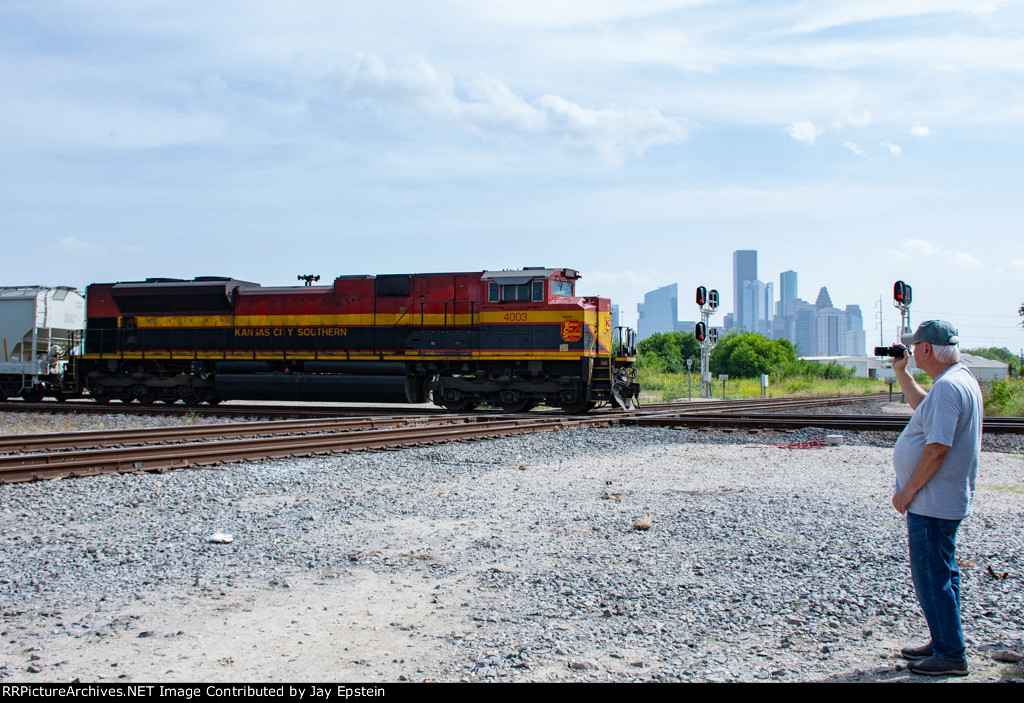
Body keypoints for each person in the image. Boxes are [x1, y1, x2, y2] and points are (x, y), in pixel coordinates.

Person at [890, 320, 983, 677]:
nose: (911, 352)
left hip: (932, 501)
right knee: (944, 572)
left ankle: (950, 654)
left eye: (915, 347)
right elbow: (926, 410)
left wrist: (908, 490)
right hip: (946, 498)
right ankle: (944, 638)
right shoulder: (959, 380)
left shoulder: (948, 388)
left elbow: (938, 446)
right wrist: (902, 374)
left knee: (931, 577)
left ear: (927, 350)